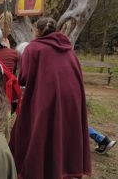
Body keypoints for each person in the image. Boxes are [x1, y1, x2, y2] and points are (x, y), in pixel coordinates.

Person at [9, 17, 91, 179]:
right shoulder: (69, 49)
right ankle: (64, 168)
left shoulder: (34, 48)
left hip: (46, 96)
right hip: (71, 97)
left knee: (37, 129)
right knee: (63, 130)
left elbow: (24, 77)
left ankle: (40, 169)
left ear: (36, 31)